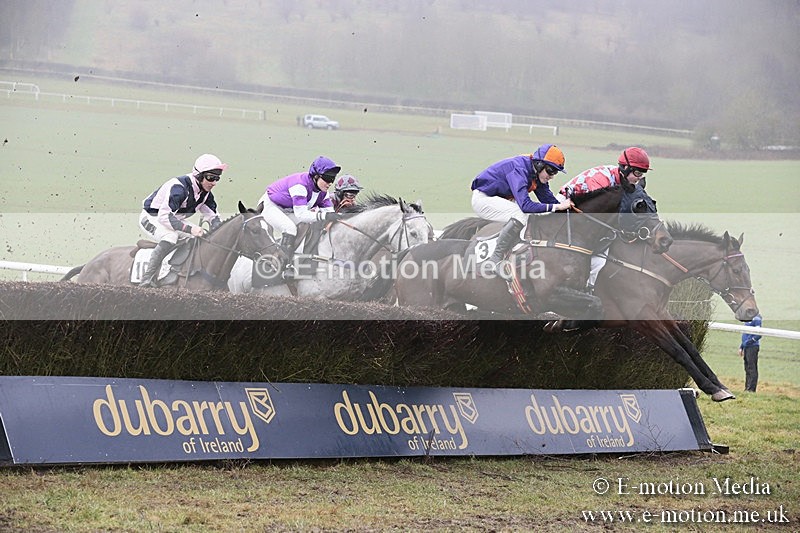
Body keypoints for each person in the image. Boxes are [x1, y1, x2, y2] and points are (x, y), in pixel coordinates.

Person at [559, 146, 652, 293]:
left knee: (603, 257)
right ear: (625, 168)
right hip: (566, 206)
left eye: (643, 174)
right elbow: (596, 214)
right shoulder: (601, 180)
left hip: (587, 211)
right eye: (637, 173)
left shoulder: (623, 181)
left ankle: (588, 290)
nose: (639, 177)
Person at [471, 144, 573, 273]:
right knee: (520, 214)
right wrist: (557, 206)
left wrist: (571, 211)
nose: (552, 176)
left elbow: (548, 201)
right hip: (483, 200)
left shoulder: (536, 173)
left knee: (532, 216)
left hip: (500, 200)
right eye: (550, 171)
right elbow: (526, 206)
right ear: (539, 165)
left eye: (555, 172)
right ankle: (495, 259)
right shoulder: (519, 169)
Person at [138, 153, 227, 288]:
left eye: (217, 179)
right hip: (153, 217)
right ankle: (146, 279)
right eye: (210, 178)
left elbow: (214, 217)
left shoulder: (206, 194)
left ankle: (180, 271)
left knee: (200, 237)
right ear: (199, 175)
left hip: (172, 218)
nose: (214, 183)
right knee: (171, 236)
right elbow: (164, 217)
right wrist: (191, 229)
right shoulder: (179, 188)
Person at [257, 155, 342, 273]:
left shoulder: (323, 192)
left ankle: (296, 261)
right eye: (327, 179)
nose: (330, 183)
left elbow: (330, 213)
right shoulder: (300, 185)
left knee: (308, 226)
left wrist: (339, 218)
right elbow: (302, 214)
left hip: (289, 210)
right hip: (271, 206)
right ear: (316, 176)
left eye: (332, 180)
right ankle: (281, 266)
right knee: (290, 228)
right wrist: (324, 216)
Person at [739, 313, 762, 392]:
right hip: (746, 347)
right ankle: (747, 388)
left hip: (753, 347)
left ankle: (751, 389)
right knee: (747, 368)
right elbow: (745, 334)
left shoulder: (757, 319)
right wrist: (742, 346)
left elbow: (758, 334)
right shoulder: (747, 319)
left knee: (752, 368)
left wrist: (749, 341)